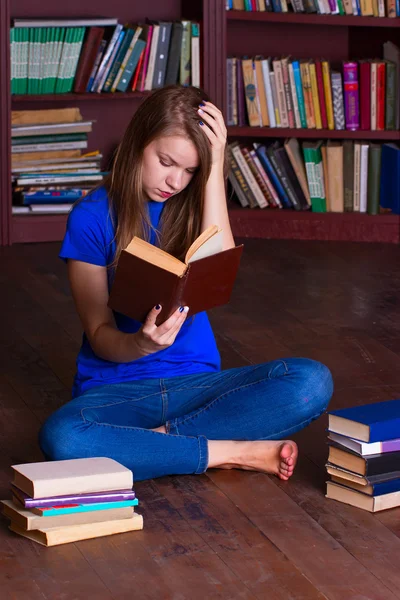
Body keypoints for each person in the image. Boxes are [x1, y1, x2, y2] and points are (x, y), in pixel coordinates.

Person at [39, 85, 333, 482]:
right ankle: (230, 452)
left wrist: (214, 169)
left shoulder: (196, 204)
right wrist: (141, 344)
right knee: (63, 439)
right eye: (166, 162)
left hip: (196, 385)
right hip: (118, 390)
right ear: (137, 143)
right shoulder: (91, 217)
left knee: (311, 381)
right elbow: (99, 334)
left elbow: (218, 266)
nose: (175, 181)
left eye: (191, 170)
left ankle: (156, 445)